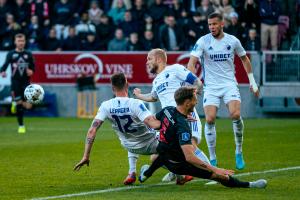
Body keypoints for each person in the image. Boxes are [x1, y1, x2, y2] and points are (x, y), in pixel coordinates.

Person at [139, 87, 267, 189]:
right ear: (187, 102)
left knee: (157, 158)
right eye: (195, 99)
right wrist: (215, 168)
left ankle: (145, 174)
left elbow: (155, 120)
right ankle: (249, 185)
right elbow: (189, 157)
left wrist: (172, 123)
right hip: (178, 165)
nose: (197, 102)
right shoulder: (183, 127)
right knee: (219, 176)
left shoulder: (168, 110)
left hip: (163, 152)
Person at [74, 73, 190, 185]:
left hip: (128, 145)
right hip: (150, 144)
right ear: (127, 84)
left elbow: (92, 130)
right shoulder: (135, 103)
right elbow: (154, 124)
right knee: (169, 146)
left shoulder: (106, 105)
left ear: (112, 88)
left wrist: (86, 156)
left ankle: (131, 172)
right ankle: (181, 175)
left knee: (129, 135)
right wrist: (176, 120)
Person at [187, 12, 259, 170]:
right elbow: (191, 62)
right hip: (211, 86)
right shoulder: (203, 41)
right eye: (209, 24)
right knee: (210, 119)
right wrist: (191, 84)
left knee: (235, 114)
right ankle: (212, 158)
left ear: (221, 24)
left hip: (229, 84)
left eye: (214, 24)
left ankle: (238, 151)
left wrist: (252, 81)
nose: (211, 27)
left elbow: (245, 59)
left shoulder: (232, 40)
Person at [133, 48, 209, 182]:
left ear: (158, 59)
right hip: (169, 122)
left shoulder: (175, 69)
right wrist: (139, 95)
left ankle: (216, 174)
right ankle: (177, 172)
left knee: (191, 146)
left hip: (185, 116)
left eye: (149, 59)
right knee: (156, 156)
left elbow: (196, 82)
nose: (147, 63)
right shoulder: (156, 81)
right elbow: (153, 97)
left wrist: (190, 102)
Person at [0, 33, 35, 134]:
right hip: (15, 83)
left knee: (29, 106)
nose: (21, 43)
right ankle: (21, 126)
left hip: (26, 82)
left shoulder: (28, 54)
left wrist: (31, 71)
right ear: (15, 42)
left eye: (22, 41)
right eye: (19, 41)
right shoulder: (11, 54)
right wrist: (2, 72)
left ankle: (15, 102)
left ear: (25, 42)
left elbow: (33, 67)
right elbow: (5, 65)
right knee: (20, 106)